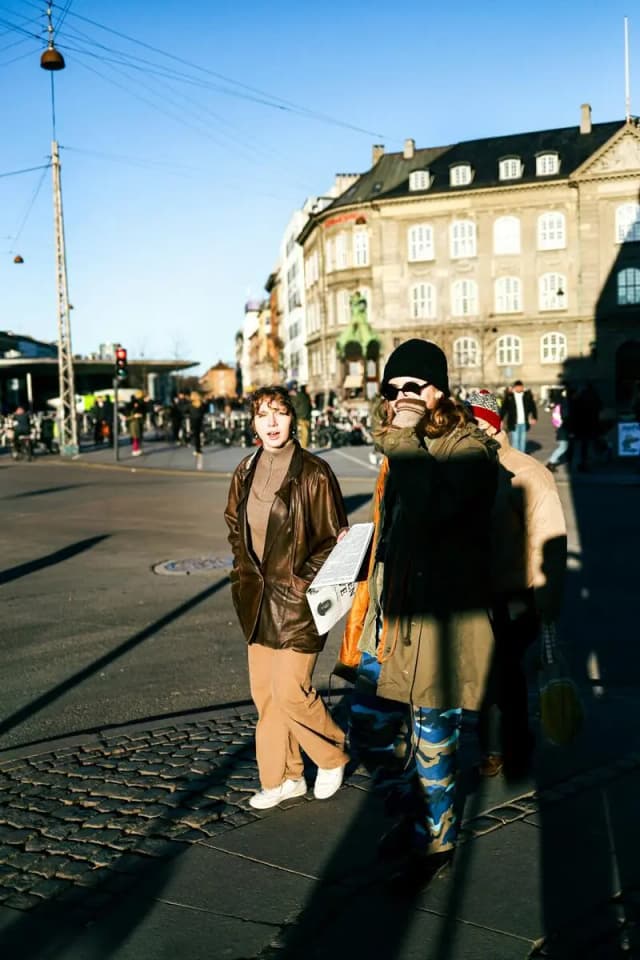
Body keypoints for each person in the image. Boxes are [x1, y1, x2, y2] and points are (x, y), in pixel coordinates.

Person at [337, 339, 499, 885]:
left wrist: (403, 441)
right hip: (393, 616)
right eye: (393, 388)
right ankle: (414, 810)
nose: (401, 396)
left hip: (440, 620)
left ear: (439, 392)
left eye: (414, 386)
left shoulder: (467, 448)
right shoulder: (400, 445)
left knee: (435, 742)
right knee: (369, 726)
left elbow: (436, 514)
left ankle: (436, 841)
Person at [225, 385, 350, 810]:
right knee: (266, 694)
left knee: (291, 690)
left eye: (279, 412)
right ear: (253, 423)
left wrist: (300, 582)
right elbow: (234, 526)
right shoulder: (245, 470)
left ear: (293, 418)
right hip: (257, 600)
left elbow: (333, 540)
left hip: (298, 602)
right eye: (263, 415)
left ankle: (331, 755)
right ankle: (283, 778)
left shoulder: (314, 472)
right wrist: (243, 572)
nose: (272, 422)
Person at [466, 389, 567, 778]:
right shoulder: (461, 469)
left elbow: (548, 538)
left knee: (504, 674)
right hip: (475, 590)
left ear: (495, 425)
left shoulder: (528, 472)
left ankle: (504, 748)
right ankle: (498, 745)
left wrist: (548, 601)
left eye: (478, 422)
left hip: (515, 593)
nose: (471, 430)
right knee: (486, 674)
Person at [501, 380, 537, 452]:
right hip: (514, 422)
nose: (520, 388)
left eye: (521, 387)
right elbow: (503, 409)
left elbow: (533, 407)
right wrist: (500, 419)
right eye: (518, 387)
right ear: (515, 387)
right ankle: (516, 456)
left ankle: (522, 455)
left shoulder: (527, 396)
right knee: (516, 440)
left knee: (522, 441)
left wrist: (534, 417)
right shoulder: (510, 397)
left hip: (524, 422)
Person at [546, 387, 572, 473]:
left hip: (561, 427)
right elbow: (562, 417)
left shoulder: (557, 404)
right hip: (563, 427)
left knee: (563, 446)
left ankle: (552, 462)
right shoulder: (562, 404)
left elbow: (554, 418)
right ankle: (551, 462)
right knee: (563, 447)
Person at [289, 383, 312, 448]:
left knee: (304, 433)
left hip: (303, 416)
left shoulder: (300, 396)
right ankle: (303, 447)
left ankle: (303, 447)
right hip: (303, 417)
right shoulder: (301, 395)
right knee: (304, 433)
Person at [188, 390, 206, 468]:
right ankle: (199, 448)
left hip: (194, 421)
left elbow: (187, 411)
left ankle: (197, 449)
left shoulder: (191, 405)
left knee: (196, 435)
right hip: (200, 421)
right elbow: (203, 411)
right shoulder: (201, 404)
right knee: (197, 435)